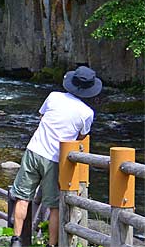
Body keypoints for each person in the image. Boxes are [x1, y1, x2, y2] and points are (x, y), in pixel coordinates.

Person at [9, 66, 102, 247]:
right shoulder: (87, 113)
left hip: (34, 150)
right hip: (55, 159)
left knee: (22, 198)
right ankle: (52, 244)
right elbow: (81, 137)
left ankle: (16, 239)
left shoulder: (53, 96)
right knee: (54, 206)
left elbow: (42, 116)